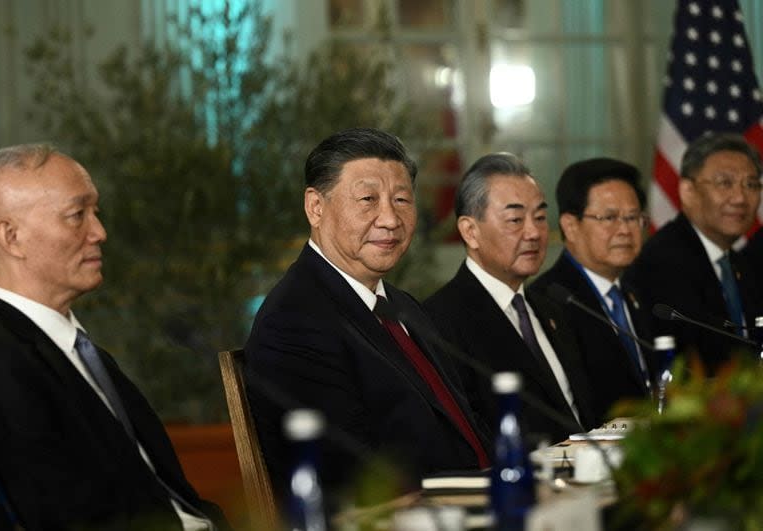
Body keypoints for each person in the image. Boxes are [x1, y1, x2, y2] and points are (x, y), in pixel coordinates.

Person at [245, 128, 490, 507]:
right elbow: (349, 477)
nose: (390, 219)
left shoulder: (401, 305)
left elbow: (461, 425)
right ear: (316, 207)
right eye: (367, 199)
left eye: (402, 200)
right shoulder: (294, 321)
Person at [0, 144, 228, 531]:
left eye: (96, 213)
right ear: (11, 237)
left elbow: (171, 496)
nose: (99, 233)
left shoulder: (85, 353)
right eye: (76, 216)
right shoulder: (3, 361)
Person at [423, 153, 596, 444]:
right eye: (515, 219)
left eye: (540, 217)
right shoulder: (440, 322)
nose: (534, 233)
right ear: (470, 231)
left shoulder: (552, 307)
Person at [625, 132, 763, 373]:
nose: (741, 198)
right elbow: (691, 362)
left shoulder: (739, 262)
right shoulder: (663, 263)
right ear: (688, 191)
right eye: (725, 183)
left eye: (751, 184)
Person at [531, 158, 655, 424]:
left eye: (633, 218)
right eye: (609, 218)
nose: (625, 230)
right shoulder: (547, 302)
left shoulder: (643, 292)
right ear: (570, 226)